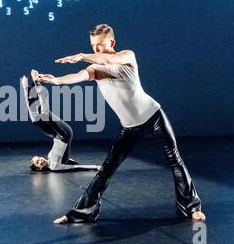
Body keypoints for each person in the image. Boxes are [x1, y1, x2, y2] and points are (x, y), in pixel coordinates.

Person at [39, 24, 205, 223]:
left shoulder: (127, 56)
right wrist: (57, 81)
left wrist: (82, 55)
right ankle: (83, 212)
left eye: (100, 45)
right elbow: (79, 76)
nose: (96, 50)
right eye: (93, 46)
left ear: (112, 42)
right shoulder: (95, 68)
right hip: (129, 126)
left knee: (175, 160)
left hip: (153, 115)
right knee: (107, 169)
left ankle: (191, 208)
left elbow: (110, 59)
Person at [22, 69, 100, 172]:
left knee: (35, 119)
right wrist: (95, 167)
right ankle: (37, 82)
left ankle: (27, 89)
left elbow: (68, 160)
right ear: (39, 169)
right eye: (38, 163)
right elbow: (74, 168)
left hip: (56, 135)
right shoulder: (54, 166)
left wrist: (69, 160)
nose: (40, 160)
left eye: (38, 159)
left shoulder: (50, 159)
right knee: (45, 113)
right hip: (65, 135)